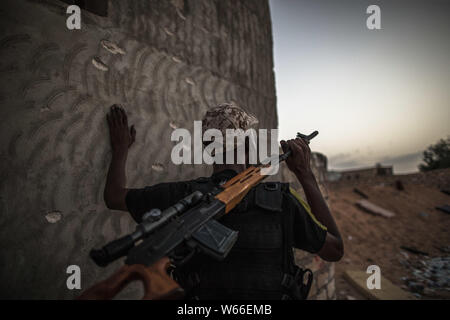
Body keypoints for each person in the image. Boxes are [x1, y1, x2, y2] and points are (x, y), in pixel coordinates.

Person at [104, 103, 344, 300]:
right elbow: (335, 250)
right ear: (247, 145)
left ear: (209, 149)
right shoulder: (282, 201)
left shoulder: (179, 195)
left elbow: (114, 196)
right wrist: (306, 175)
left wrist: (120, 148)